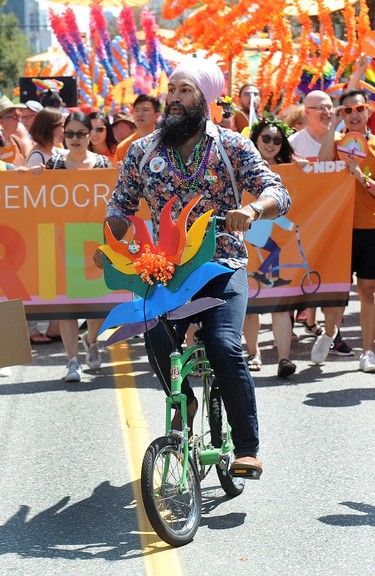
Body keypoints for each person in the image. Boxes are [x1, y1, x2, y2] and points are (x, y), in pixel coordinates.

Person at [94, 57, 291, 477]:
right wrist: (109, 242)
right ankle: (185, 400)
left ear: (205, 99)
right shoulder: (142, 152)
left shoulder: (232, 144)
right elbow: (120, 205)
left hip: (220, 262)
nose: (176, 99)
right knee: (157, 340)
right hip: (165, 270)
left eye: (185, 91)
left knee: (224, 345)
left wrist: (252, 210)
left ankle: (246, 448)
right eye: (172, 91)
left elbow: (278, 192)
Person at [45, 111, 112, 382]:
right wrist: (35, 173)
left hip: (94, 240)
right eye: (69, 133)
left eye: (81, 134)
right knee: (66, 305)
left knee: (96, 304)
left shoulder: (104, 164)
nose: (75, 139)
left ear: (90, 135)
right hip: (61, 240)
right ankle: (72, 361)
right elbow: (38, 198)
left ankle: (92, 341)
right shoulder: (55, 163)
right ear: (64, 134)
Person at [288, 90, 354, 358]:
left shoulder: (345, 142)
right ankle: (296, 322)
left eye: (330, 108)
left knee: (334, 279)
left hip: (335, 223)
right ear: (307, 113)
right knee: (298, 276)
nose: (327, 112)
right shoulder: (293, 143)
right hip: (302, 224)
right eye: (320, 108)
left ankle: (331, 334)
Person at [318, 88, 375, 372]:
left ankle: (368, 351)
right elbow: (321, 162)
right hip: (339, 227)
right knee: (337, 290)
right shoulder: (338, 142)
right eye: (347, 110)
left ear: (369, 111)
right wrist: (332, 126)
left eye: (359, 108)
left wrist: (361, 178)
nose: (354, 114)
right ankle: (329, 332)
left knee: (367, 290)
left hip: (369, 229)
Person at [243, 116, 297, 378]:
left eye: (278, 139)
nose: (272, 143)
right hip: (248, 235)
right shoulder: (240, 165)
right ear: (255, 139)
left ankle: (284, 358)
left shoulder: (292, 169)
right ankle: (253, 353)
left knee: (281, 303)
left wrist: (306, 171)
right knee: (248, 304)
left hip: (272, 235)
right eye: (266, 138)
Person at [26, 107, 66, 343]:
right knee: (36, 279)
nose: (64, 129)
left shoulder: (59, 152)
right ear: (49, 127)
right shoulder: (37, 156)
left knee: (56, 278)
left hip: (58, 225)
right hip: (40, 227)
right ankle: (32, 331)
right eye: (60, 125)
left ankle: (55, 326)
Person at [113, 94, 161, 165]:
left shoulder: (165, 141)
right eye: (136, 110)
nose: (140, 114)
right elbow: (114, 174)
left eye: (145, 110)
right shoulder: (123, 147)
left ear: (157, 115)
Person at [0, 96, 31, 166]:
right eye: (15, 117)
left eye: (18, 116)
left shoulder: (17, 141)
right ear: (1, 121)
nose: (19, 120)